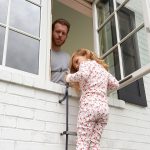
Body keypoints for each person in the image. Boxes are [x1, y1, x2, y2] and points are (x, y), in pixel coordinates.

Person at [65, 48, 119, 150]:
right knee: (94, 144)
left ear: (86, 55)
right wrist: (101, 85)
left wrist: (69, 77)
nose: (77, 66)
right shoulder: (103, 70)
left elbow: (83, 75)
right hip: (104, 110)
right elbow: (116, 84)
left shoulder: (86, 64)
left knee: (82, 143)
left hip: (89, 107)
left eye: (77, 61)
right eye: (75, 66)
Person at [51, 18, 70, 85]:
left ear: (66, 36)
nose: (60, 35)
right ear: (52, 32)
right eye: (58, 31)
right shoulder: (45, 53)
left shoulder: (68, 58)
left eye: (63, 33)